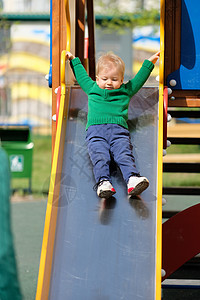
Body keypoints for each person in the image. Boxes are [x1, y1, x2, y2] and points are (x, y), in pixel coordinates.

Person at [66, 50, 160, 198]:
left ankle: (132, 179)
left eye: (114, 79)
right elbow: (81, 76)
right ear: (97, 79)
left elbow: (139, 80)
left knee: (124, 154)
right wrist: (74, 60)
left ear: (122, 80)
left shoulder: (125, 91)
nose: (109, 82)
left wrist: (150, 63)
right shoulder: (92, 89)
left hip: (119, 132)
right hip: (96, 132)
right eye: (105, 79)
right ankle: (103, 183)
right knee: (100, 156)